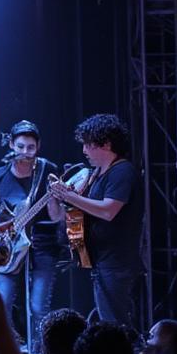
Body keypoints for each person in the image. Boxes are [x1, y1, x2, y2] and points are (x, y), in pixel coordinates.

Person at [0, 120, 62, 346]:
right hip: (8, 245)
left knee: (39, 307)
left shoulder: (47, 170)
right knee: (0, 303)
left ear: (38, 147)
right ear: (11, 145)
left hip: (43, 244)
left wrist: (55, 196)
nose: (25, 152)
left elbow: (57, 216)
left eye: (30, 147)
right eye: (20, 146)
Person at [49, 113, 144, 325]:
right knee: (108, 321)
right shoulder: (97, 173)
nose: (84, 151)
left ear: (106, 144)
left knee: (116, 324)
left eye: (88, 144)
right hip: (102, 261)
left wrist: (69, 196)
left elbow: (108, 211)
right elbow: (69, 213)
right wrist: (59, 198)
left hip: (117, 261)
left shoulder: (122, 171)